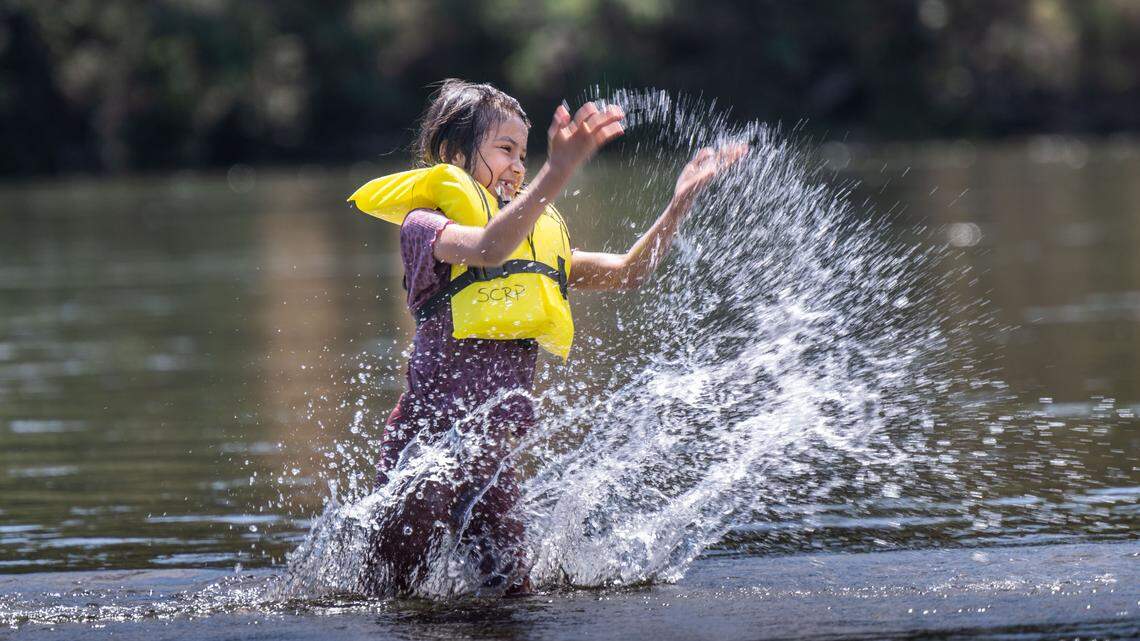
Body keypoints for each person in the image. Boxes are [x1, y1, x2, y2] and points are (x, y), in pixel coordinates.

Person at [348, 79, 744, 596]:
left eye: (524, 153)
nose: (517, 165)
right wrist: (557, 171)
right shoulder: (427, 226)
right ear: (452, 154)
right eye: (504, 150)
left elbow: (629, 271)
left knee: (513, 596)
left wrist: (678, 205)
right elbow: (490, 248)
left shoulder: (538, 244)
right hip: (424, 452)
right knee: (390, 599)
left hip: (491, 463)